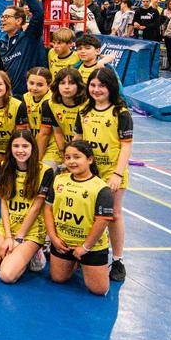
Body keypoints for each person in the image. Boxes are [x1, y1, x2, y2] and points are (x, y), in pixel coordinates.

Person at [74, 67, 132, 283]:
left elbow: (126, 146)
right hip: (89, 171)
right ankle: (87, 250)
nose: (96, 90)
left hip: (112, 171)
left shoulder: (121, 112)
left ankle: (117, 259)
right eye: (93, 85)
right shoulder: (84, 111)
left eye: (102, 86)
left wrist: (117, 173)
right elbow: (77, 140)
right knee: (88, 213)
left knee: (114, 214)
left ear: (111, 88)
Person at [0, 130, 52, 283]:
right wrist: (8, 236)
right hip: (7, 227)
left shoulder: (45, 171)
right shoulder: (5, 165)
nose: (20, 150)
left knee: (7, 275)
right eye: (16, 146)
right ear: (10, 148)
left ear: (33, 148)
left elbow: (36, 208)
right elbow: (3, 202)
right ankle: (17, 257)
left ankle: (33, 254)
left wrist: (18, 239)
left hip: (30, 231)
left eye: (25, 146)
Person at [44, 140, 114, 296]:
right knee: (58, 278)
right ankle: (74, 263)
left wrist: (85, 248)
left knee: (98, 290)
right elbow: (48, 209)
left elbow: (102, 221)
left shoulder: (101, 188)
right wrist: (53, 238)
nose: (71, 161)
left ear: (89, 159)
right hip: (64, 243)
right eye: (67, 157)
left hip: (90, 246)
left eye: (77, 157)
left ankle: (87, 262)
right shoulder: (59, 180)